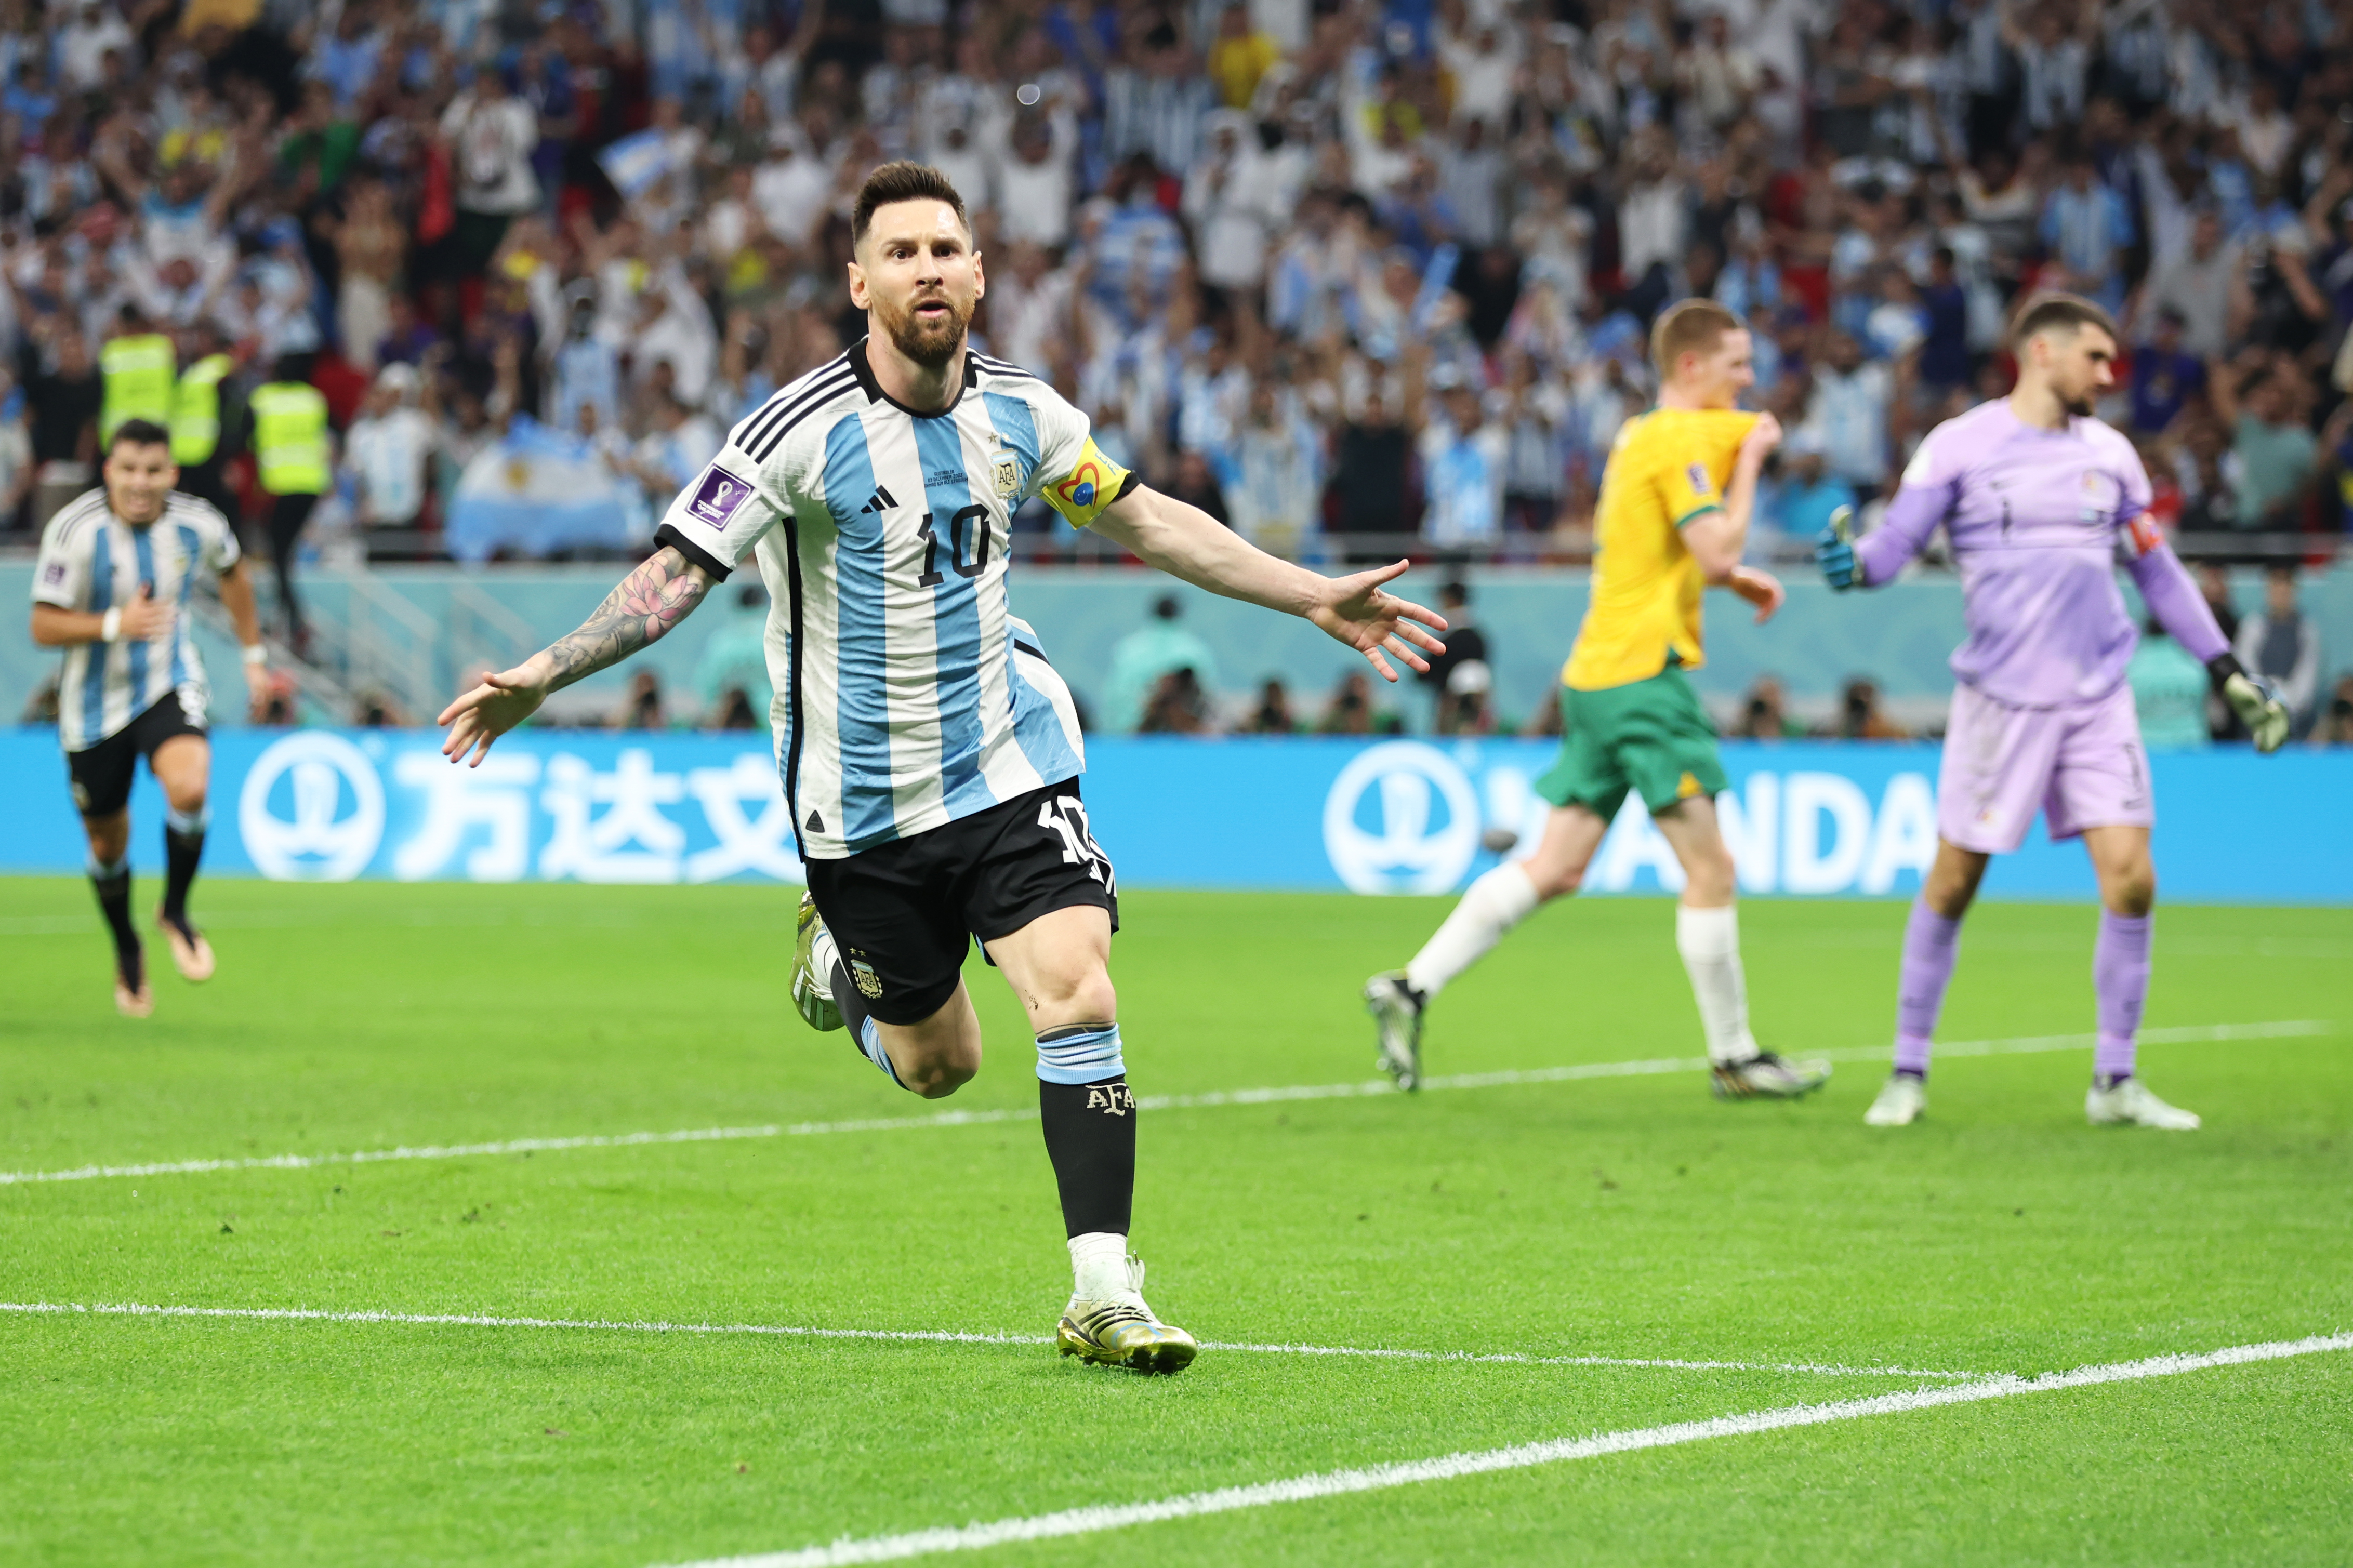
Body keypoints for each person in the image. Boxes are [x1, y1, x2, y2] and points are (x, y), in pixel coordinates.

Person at [435, 163, 1444, 1376]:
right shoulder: (789, 433)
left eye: (944, 249)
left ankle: (1100, 1290)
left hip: (1008, 767)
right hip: (856, 811)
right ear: (858, 283)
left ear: (977, 274)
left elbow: (1146, 518)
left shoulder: (1026, 413)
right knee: (937, 1065)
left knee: (1075, 987)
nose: (926, 268)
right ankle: (838, 972)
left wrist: (1306, 596)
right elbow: (674, 575)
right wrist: (547, 671)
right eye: (900, 251)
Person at [1817, 294, 2291, 1132]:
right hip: (1998, 701)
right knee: (1954, 880)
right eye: (2097, 359)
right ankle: (1906, 1068)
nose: (2110, 375)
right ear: (2042, 351)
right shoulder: (1956, 446)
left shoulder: (2110, 456)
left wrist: (2225, 668)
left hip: (2095, 697)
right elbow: (1890, 552)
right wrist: (1846, 565)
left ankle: (2113, 1079)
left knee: (2132, 878)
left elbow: (2157, 574)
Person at [1365, 300, 1827, 1101]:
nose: (1749, 381)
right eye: (1738, 364)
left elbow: (1671, 554)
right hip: (1643, 681)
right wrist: (1751, 458)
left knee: (1557, 865)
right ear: (1692, 366)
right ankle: (1735, 1056)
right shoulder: (1685, 437)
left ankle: (1412, 985)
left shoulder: (1640, 434)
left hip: (1595, 677)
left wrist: (1733, 573)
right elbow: (1715, 549)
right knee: (1712, 868)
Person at [28, 419, 267, 1016]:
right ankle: (127, 945)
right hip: (91, 706)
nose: (141, 483)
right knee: (108, 843)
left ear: (171, 474)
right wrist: (116, 624)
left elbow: (234, 574)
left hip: (168, 682)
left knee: (190, 785)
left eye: (153, 471)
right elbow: (42, 625)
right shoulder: (75, 530)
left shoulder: (198, 523)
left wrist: (255, 658)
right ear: (110, 470)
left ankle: (176, 912)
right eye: (129, 469)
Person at [248, 361, 332, 649]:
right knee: (284, 555)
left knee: (279, 555)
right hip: (311, 485)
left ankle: (294, 621)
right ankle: (290, 619)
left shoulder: (264, 398)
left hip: (279, 485)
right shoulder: (314, 399)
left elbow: (246, 435)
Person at [1105, 594, 1220, 733]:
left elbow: (1115, 697)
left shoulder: (1129, 649)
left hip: (1133, 735)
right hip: (1181, 737)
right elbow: (1209, 696)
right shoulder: (1196, 650)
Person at [2232, 565, 2323, 738]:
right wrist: (2266, 698)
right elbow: (2246, 668)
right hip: (2258, 716)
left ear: (2295, 592)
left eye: (2286, 590)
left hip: (2294, 718)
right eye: (2276, 589)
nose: (2281, 596)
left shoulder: (2307, 630)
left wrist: (2285, 701)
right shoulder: (2253, 626)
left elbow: (2308, 675)